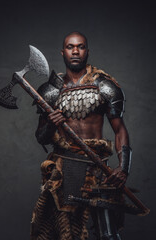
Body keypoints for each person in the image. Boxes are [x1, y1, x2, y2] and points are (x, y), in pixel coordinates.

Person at [30, 32, 132, 240]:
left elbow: (119, 129)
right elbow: (41, 137)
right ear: (63, 52)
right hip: (62, 170)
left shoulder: (104, 86)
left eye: (80, 46)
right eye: (70, 47)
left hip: (98, 169)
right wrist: (50, 124)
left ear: (87, 51)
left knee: (107, 234)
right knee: (61, 234)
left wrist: (123, 169)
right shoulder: (50, 91)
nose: (75, 51)